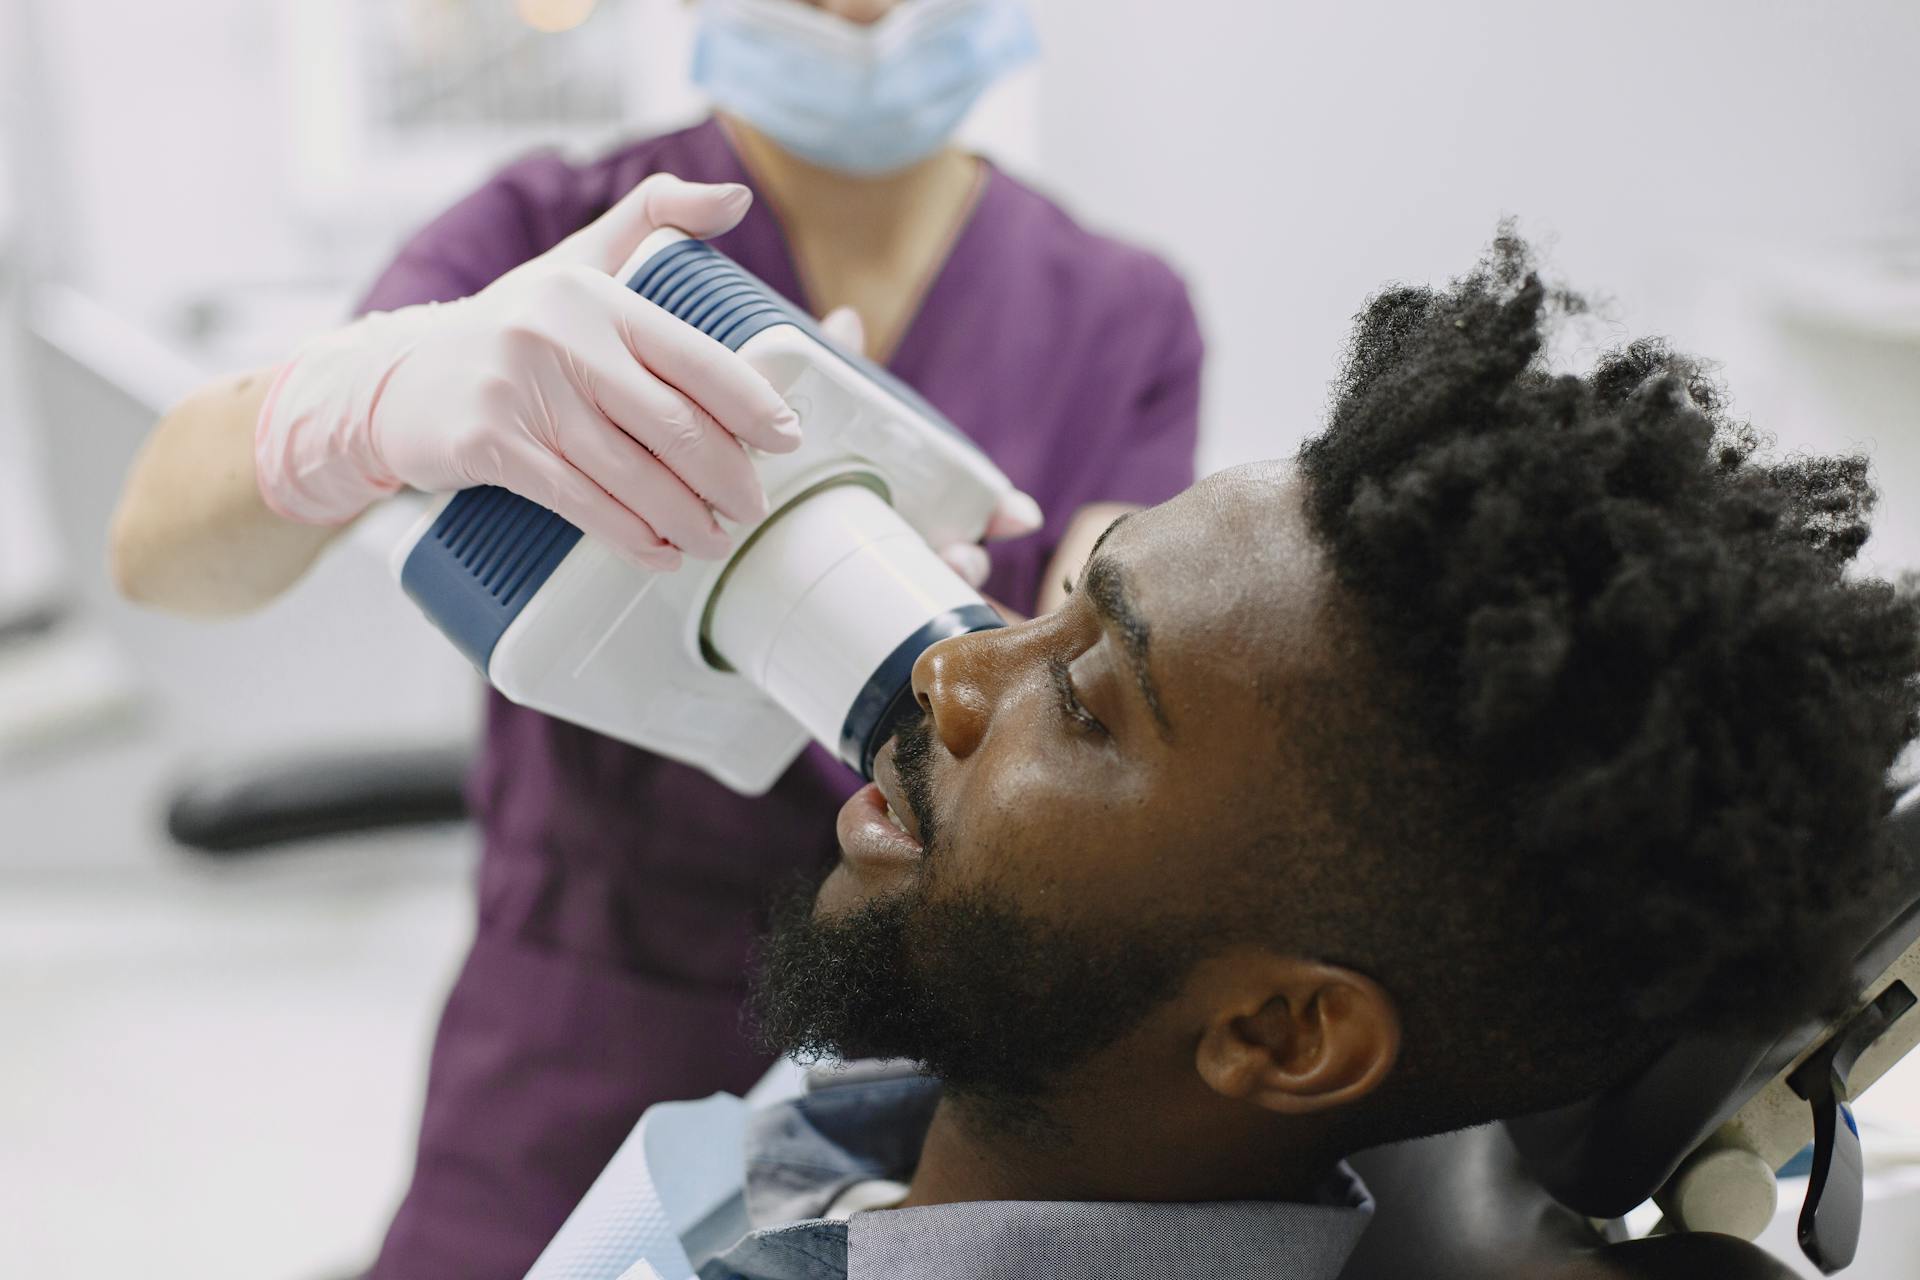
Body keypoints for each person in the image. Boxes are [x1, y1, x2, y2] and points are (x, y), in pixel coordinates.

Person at [105, 0, 1202, 1273]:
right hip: (572, 1036)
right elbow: (158, 547)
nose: (861, 21)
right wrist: (369, 402)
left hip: (919, 1047)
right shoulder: (561, 232)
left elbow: (1101, 689)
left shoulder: (1121, 313)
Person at [624, 233, 1918, 1279]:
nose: (947, 671)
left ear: (1280, 1032)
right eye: (1065, 600)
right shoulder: (952, 1069)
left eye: (1080, 700)